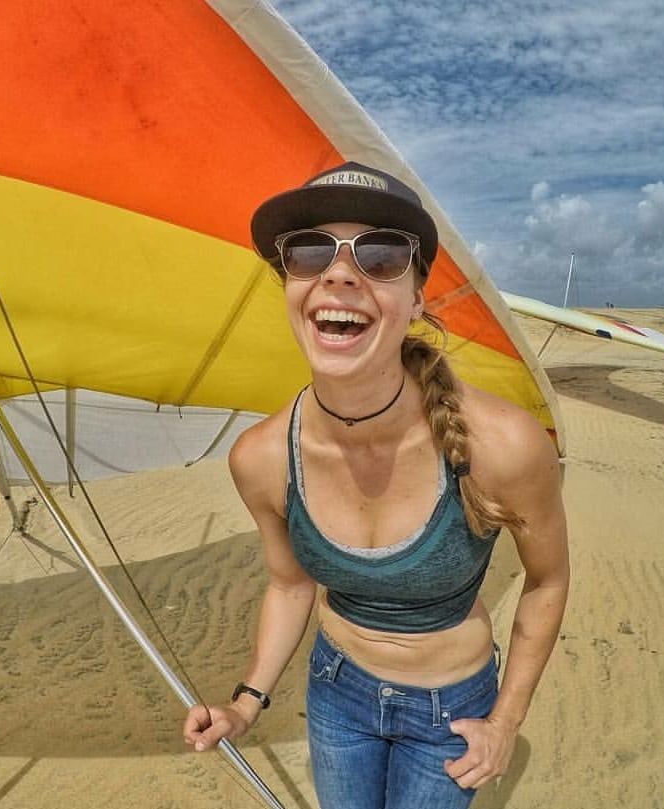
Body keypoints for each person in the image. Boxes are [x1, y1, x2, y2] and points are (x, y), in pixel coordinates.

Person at [183, 163, 569, 809]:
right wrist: (244, 704)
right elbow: (288, 582)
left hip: (453, 709)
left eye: (381, 254)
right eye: (309, 251)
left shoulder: (503, 446)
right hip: (336, 692)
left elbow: (547, 581)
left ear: (417, 295)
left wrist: (504, 722)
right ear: (290, 286)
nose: (338, 273)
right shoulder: (260, 458)